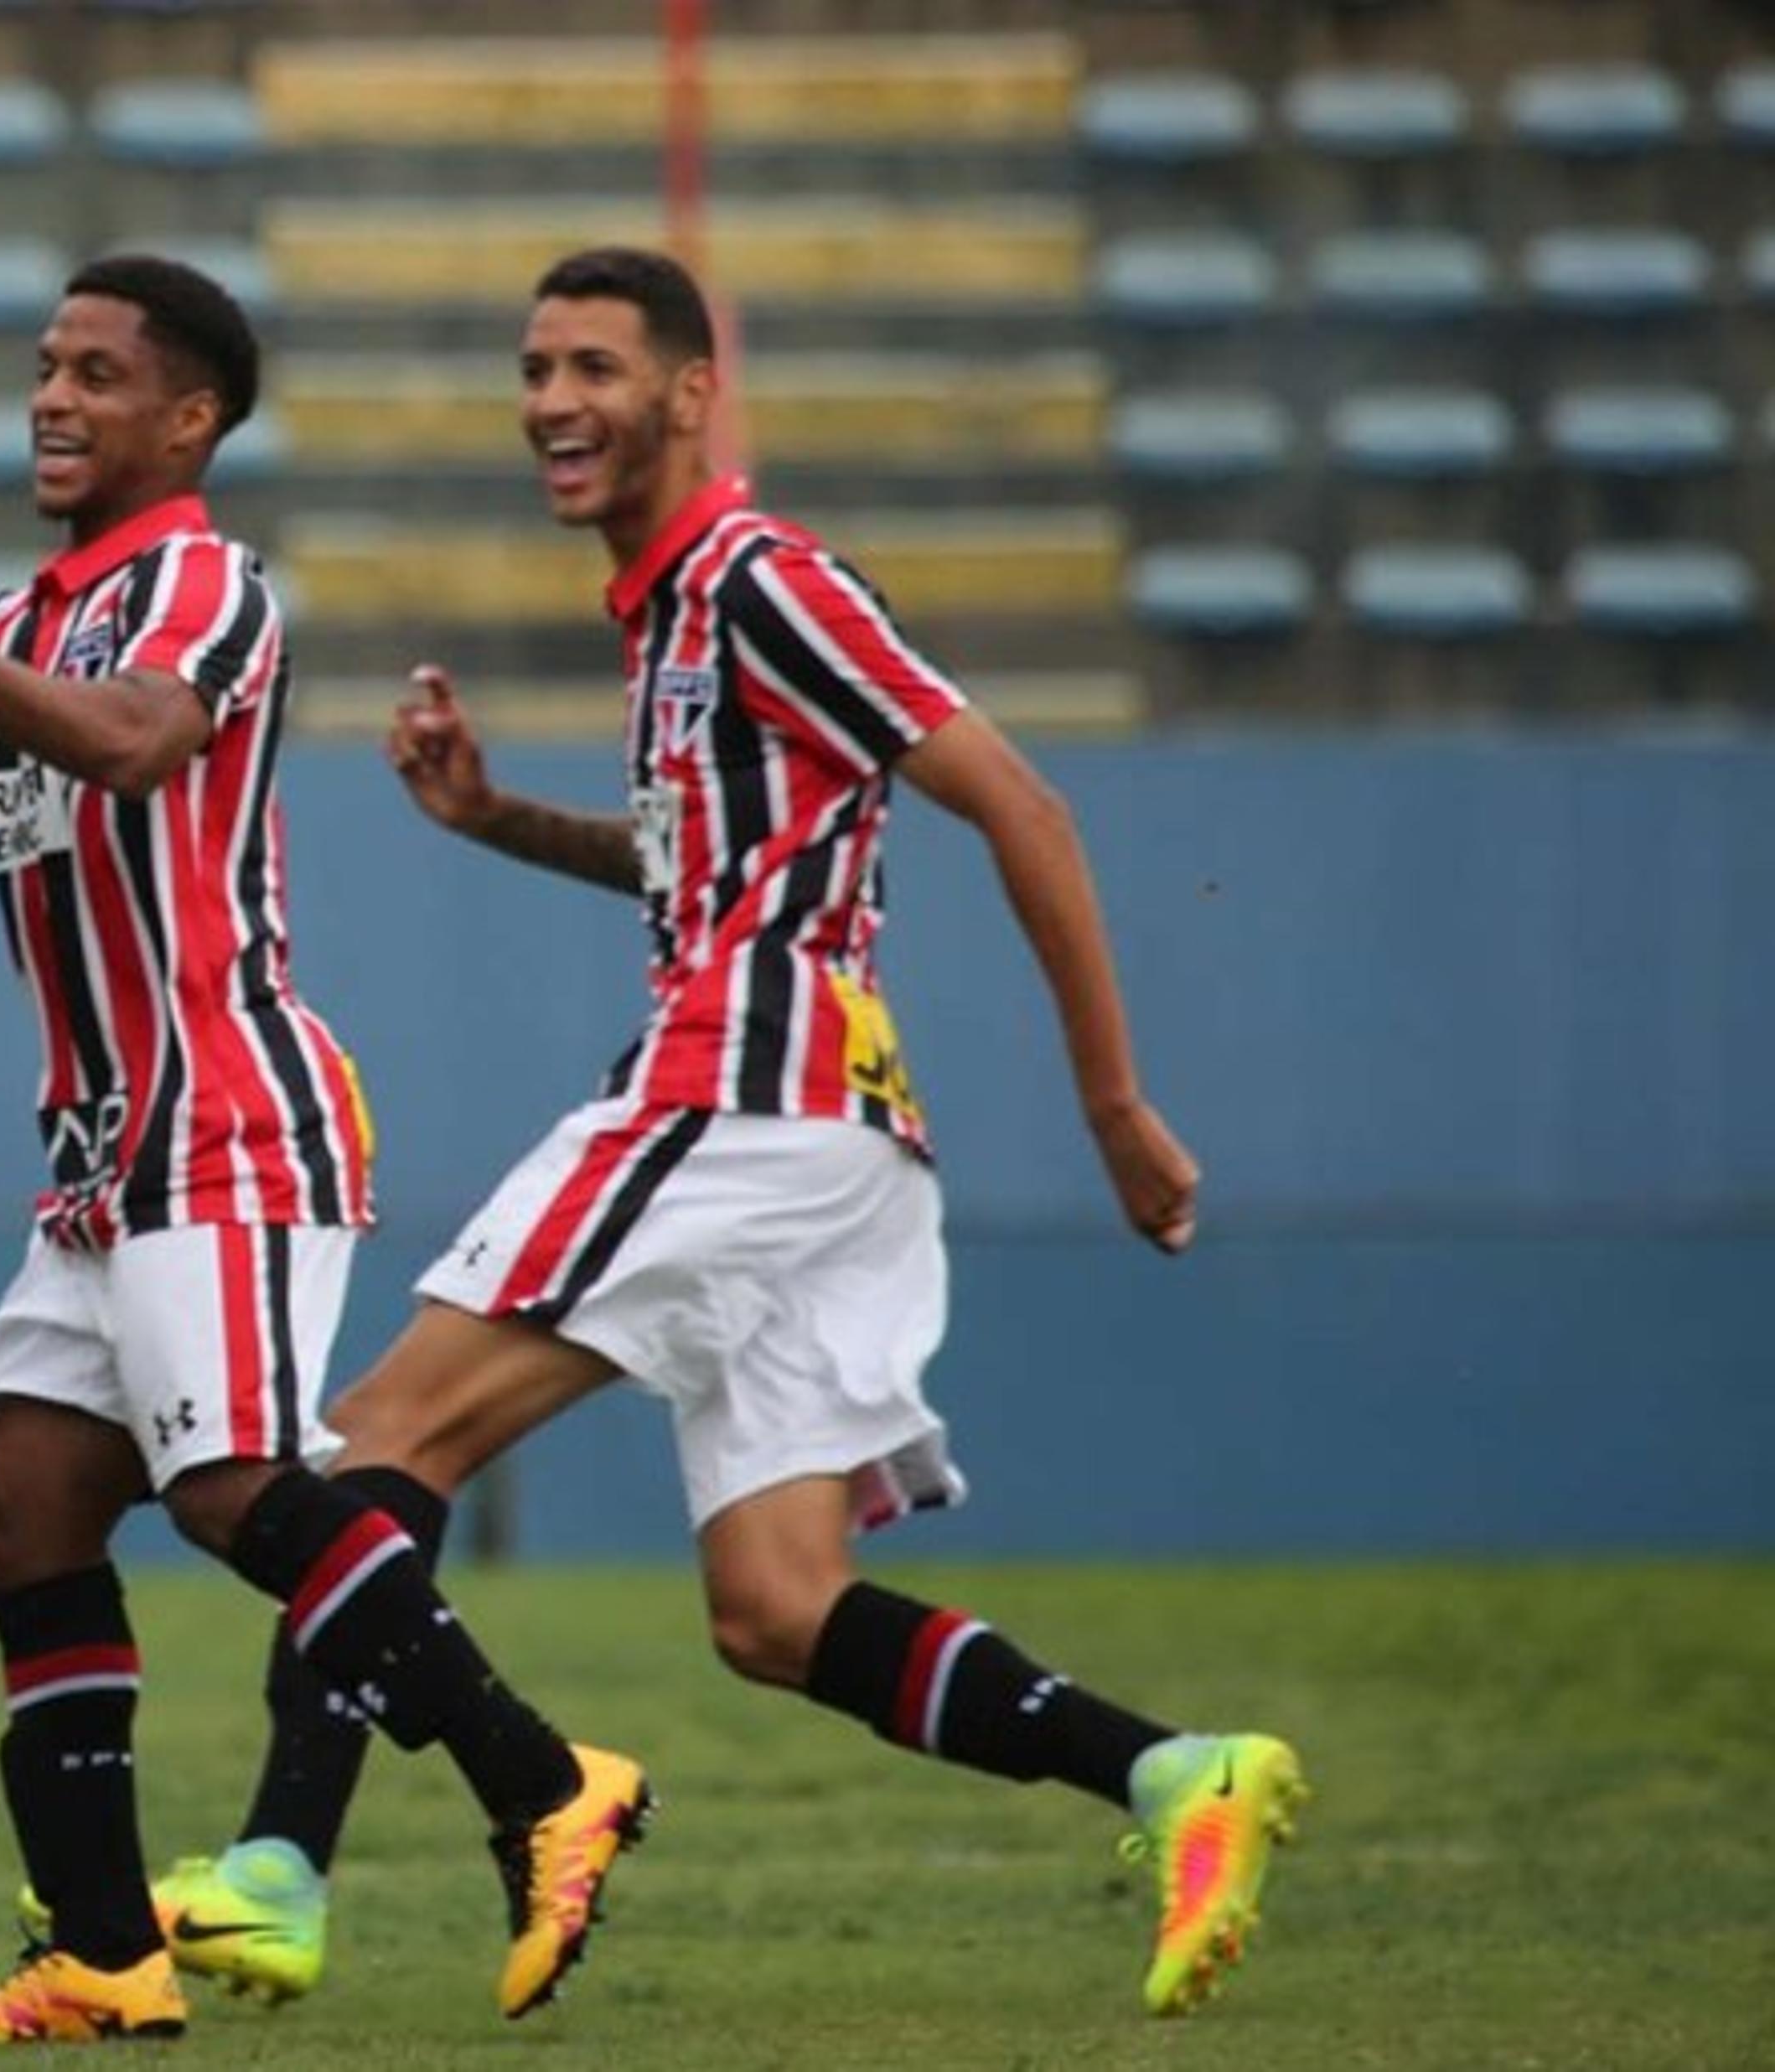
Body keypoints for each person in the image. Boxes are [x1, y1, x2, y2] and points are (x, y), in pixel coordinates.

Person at [139, 246, 1308, 2023]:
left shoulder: (763, 579)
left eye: (596, 366)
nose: (553, 401)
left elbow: (1021, 804)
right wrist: (496, 821)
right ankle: (1175, 1774)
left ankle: (290, 1867)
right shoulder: (673, 606)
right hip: (829, 1136)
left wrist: (1113, 1105)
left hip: (736, 1095)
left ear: (694, 391)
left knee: (378, 1436)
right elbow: (713, 870)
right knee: (773, 1609)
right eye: (535, 368)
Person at [0, 255, 651, 2045]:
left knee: (230, 1488)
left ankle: (546, 1777)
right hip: (102, 1151)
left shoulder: (207, 587)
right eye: (43, 364)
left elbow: (131, 745)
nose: (52, 396)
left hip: (226, 1107)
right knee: (27, 1507)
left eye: (98, 373)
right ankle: (101, 1949)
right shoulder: (19, 618)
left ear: (191, 420)